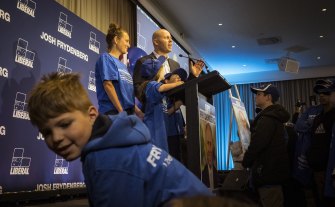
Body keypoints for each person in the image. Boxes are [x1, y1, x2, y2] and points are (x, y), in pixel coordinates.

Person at [27, 72, 212, 207]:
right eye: (47, 133)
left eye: (65, 124)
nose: (56, 138)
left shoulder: (108, 160)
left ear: (91, 115)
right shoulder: (108, 146)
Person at [242, 84, 290, 207]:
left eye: (259, 94)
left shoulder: (267, 119)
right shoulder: (273, 117)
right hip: (272, 173)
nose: (255, 97)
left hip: (268, 175)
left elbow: (258, 144)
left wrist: (246, 161)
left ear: (268, 97)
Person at [292, 79, 335, 206]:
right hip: (314, 169)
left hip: (329, 170)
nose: (321, 95)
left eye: (326, 92)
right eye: (319, 93)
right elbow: (298, 125)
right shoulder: (316, 116)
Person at [133, 28, 204, 97]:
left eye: (171, 38)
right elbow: (138, 89)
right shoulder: (144, 61)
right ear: (156, 42)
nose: (170, 41)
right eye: (167, 38)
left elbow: (182, 89)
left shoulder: (175, 65)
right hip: (152, 106)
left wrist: (193, 76)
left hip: (172, 108)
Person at [95, 23, 143, 117]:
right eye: (126, 41)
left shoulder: (123, 66)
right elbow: (108, 85)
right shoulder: (106, 58)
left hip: (127, 115)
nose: (129, 45)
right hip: (112, 114)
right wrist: (121, 112)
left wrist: (139, 113)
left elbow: (128, 96)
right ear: (116, 40)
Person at [138, 57, 185, 152]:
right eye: (162, 67)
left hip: (161, 134)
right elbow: (161, 88)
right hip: (154, 133)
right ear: (156, 72)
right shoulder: (151, 85)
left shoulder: (155, 87)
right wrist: (179, 83)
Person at [163, 68, 188, 161]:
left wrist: (184, 126)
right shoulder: (163, 96)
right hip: (169, 135)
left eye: (180, 78)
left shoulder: (177, 95)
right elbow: (161, 115)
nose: (179, 78)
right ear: (166, 81)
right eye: (176, 76)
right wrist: (175, 107)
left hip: (180, 135)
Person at [201, 122, 219, 190]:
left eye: (211, 143)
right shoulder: (202, 174)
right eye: (207, 143)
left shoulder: (215, 171)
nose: (210, 148)